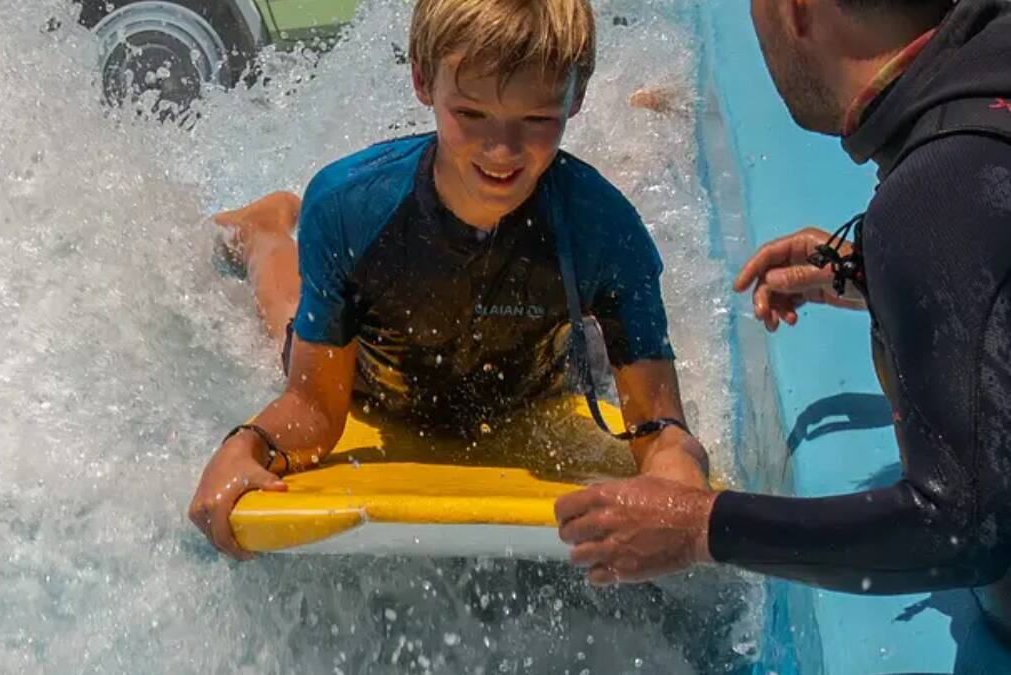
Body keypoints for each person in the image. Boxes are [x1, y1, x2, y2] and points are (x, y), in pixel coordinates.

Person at [188, 0, 712, 560]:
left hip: (530, 383)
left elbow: (658, 427)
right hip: (375, 378)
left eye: (537, 120)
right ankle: (262, 228)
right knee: (286, 319)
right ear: (421, 79)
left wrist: (678, 479)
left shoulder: (609, 230)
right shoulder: (350, 207)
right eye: (470, 114)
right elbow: (314, 410)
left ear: (575, 97)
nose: (502, 151)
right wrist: (247, 444)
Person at [555, 0, 1011, 637]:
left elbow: (966, 526)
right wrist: (890, 278)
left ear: (795, 11)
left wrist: (700, 528)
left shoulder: (941, 194)